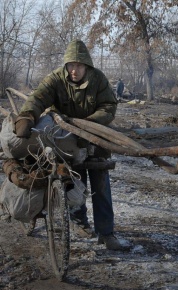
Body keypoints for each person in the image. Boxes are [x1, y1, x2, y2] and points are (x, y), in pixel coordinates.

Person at [14, 39, 124, 250]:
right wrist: (27, 116)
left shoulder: (98, 80)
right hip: (65, 139)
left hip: (95, 138)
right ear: (66, 65)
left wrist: (89, 125)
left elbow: (109, 106)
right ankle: (79, 222)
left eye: (79, 65)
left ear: (87, 66)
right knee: (74, 183)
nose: (74, 70)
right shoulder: (55, 79)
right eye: (71, 65)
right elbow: (38, 98)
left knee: (101, 184)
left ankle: (106, 233)